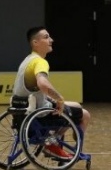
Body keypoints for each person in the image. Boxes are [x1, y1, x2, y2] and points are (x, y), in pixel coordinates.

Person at [12, 26, 91, 160]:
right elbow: (42, 84)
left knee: (76, 105)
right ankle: (53, 143)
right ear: (35, 42)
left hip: (23, 112)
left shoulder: (28, 60)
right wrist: (59, 98)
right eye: (46, 37)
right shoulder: (40, 62)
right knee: (84, 114)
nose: (51, 40)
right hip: (38, 115)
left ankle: (54, 141)